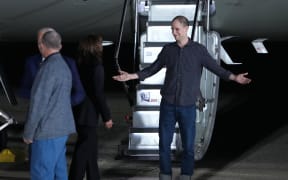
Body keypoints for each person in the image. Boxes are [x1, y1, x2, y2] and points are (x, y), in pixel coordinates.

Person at [112, 15, 252, 180]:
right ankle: (165, 175)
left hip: (187, 106)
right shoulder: (168, 50)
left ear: (186, 29)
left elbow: (216, 68)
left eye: (177, 29)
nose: (174, 32)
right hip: (168, 105)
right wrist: (131, 76)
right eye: (172, 29)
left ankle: (186, 175)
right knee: (164, 144)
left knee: (188, 146)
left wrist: (235, 77)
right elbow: (151, 69)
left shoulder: (198, 50)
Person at [23, 29, 76, 180]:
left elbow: (38, 104)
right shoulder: (64, 65)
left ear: (42, 46)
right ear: (59, 45)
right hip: (61, 130)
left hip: (46, 132)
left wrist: (28, 133)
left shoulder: (47, 68)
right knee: (59, 172)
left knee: (41, 173)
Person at [68, 34, 113, 180]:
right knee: (84, 149)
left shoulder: (78, 63)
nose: (102, 47)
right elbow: (98, 94)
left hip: (78, 109)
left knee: (90, 148)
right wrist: (107, 116)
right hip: (89, 112)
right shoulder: (97, 67)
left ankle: (94, 176)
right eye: (100, 44)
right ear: (95, 47)